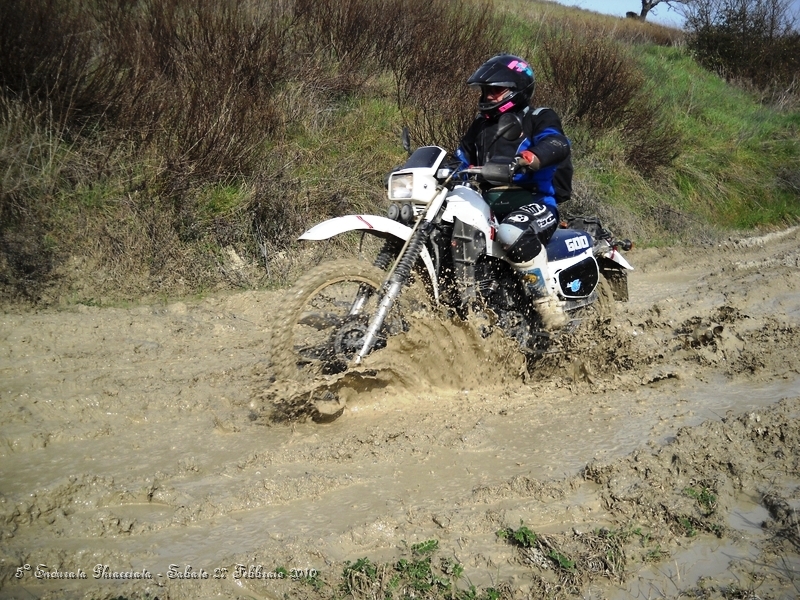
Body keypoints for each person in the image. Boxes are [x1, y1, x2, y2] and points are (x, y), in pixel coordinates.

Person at [456, 54, 571, 330]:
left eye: (496, 90)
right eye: (486, 90)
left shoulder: (539, 117)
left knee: (511, 232)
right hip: (490, 207)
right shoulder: (481, 126)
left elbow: (556, 142)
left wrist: (530, 157)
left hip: (535, 202)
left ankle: (546, 302)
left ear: (516, 90)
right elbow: (461, 157)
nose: (489, 96)